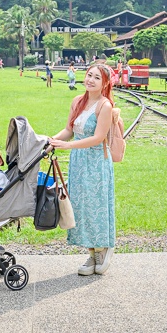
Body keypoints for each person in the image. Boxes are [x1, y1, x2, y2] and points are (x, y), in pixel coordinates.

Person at [48, 63, 117, 276]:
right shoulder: (77, 101)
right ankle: (91, 252)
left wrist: (68, 146)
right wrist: (52, 140)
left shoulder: (104, 106)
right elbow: (69, 130)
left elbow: (98, 137)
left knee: (96, 205)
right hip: (79, 162)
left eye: (97, 78)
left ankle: (102, 249)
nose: (91, 80)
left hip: (96, 162)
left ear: (105, 83)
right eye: (89, 75)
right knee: (81, 206)